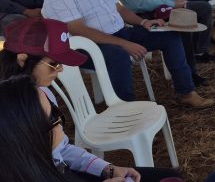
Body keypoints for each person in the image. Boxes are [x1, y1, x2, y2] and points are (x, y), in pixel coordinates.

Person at [0, 17, 183, 181]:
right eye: (54, 63)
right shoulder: (10, 112)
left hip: (60, 172)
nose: (61, 69)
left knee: (169, 177)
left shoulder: (42, 92)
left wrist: (107, 169)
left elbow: (62, 150)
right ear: (22, 59)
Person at [41, 0, 214, 108]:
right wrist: (124, 44)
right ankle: (126, 107)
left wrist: (143, 23)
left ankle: (186, 92)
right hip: (86, 47)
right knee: (119, 55)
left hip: (119, 33)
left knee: (170, 37)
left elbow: (119, 9)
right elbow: (79, 30)